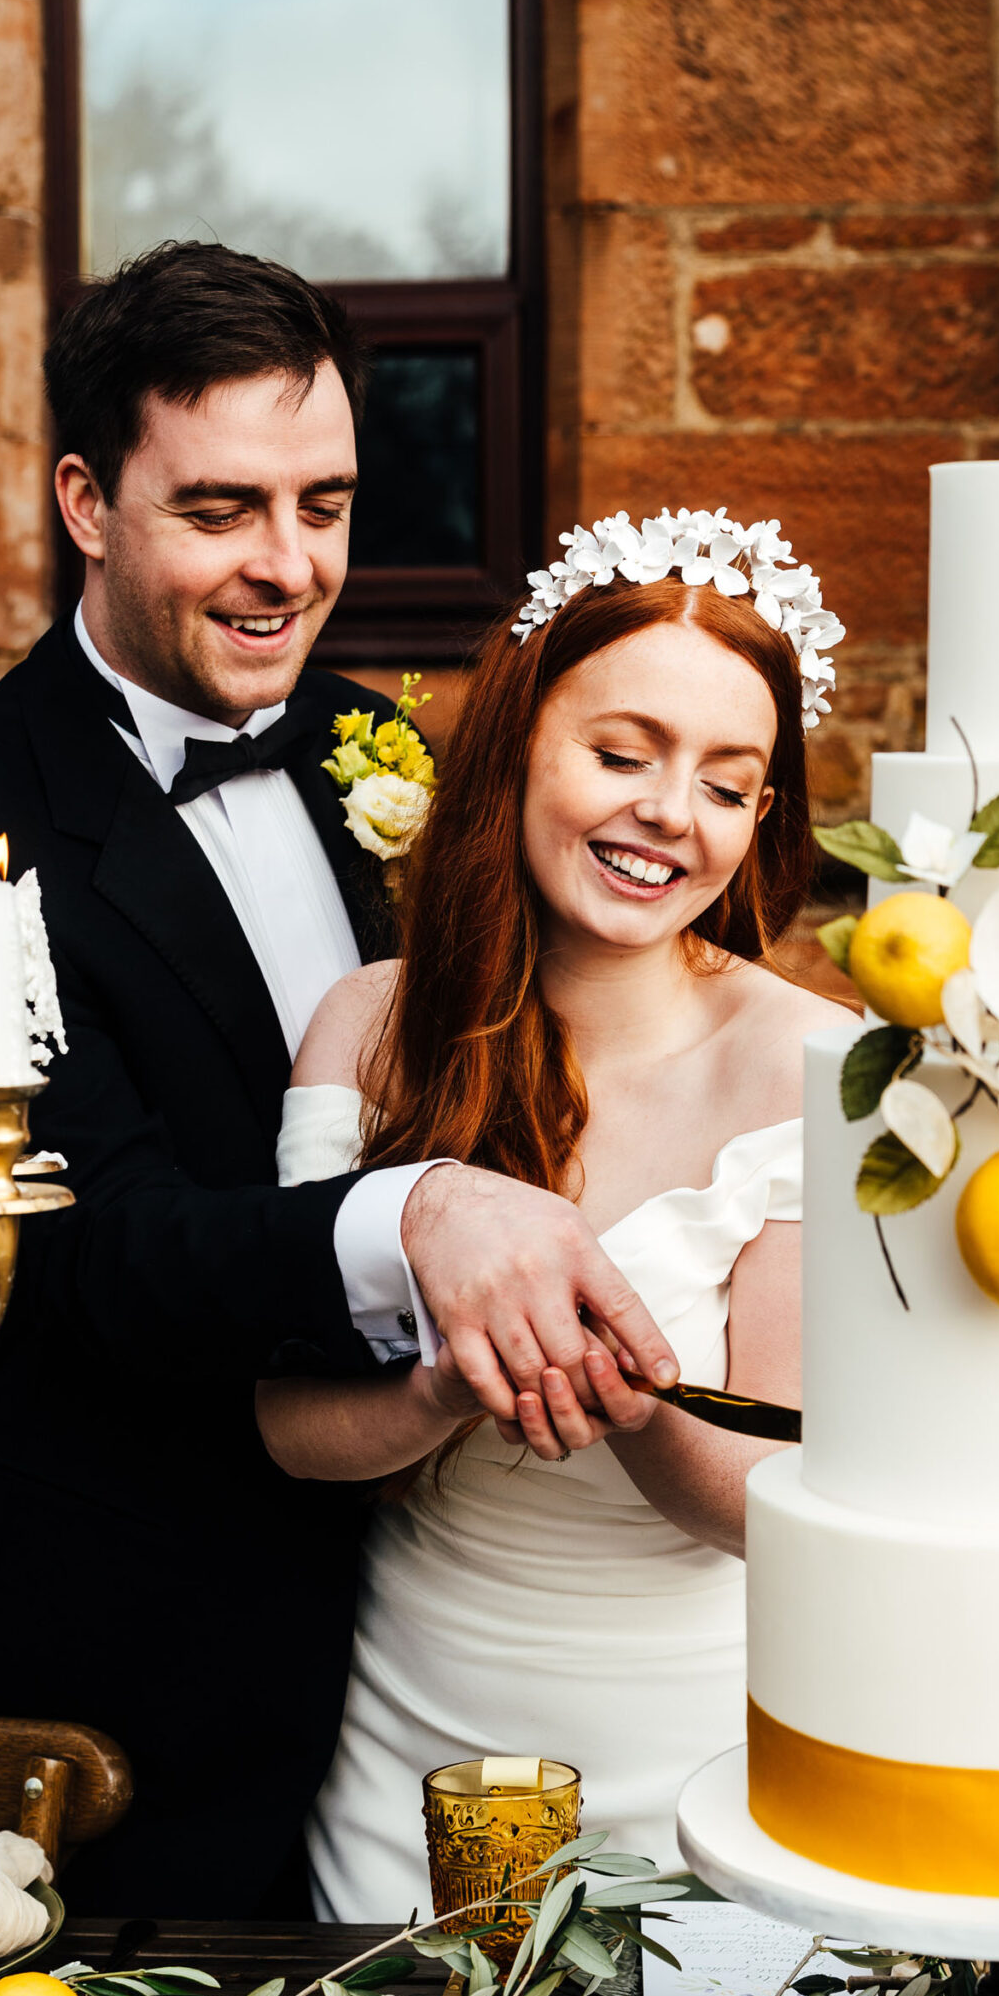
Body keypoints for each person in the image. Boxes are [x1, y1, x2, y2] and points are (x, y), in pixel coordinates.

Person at [0, 242, 679, 1917]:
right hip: (126, 1686)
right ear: (87, 502)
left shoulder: (369, 752)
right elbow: (94, 1261)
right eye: (224, 509)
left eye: (324, 505)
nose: (289, 567)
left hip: (431, 1645)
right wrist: (423, 1218)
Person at [255, 517, 850, 1911]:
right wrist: (450, 1385)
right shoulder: (368, 1028)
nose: (666, 812)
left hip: (703, 1763)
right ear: (522, 743)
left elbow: (776, 1506)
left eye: (725, 783)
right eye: (622, 752)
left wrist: (607, 1383)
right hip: (409, 1755)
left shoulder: (811, 1065)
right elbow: (289, 1428)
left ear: (763, 821)